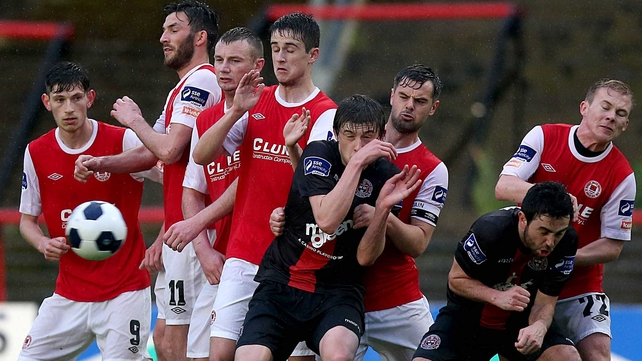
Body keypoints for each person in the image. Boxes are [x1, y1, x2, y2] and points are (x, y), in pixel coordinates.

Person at [184, 12, 337, 361]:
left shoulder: (325, 113)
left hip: (294, 261)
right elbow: (203, 155)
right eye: (277, 48)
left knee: (295, 358)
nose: (281, 58)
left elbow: (319, 189)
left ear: (312, 55)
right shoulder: (257, 100)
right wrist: (235, 110)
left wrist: (292, 149)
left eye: (291, 50)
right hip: (245, 252)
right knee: (220, 354)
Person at [74, 2, 221, 360]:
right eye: (164, 30)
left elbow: (169, 150)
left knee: (179, 343)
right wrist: (101, 163)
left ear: (200, 37)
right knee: (166, 336)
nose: (162, 37)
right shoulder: (181, 90)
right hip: (180, 232)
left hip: (198, 234)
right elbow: (149, 153)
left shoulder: (201, 81)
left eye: (173, 29)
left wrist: (134, 119)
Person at [270, 64, 448, 361]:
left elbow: (417, 244)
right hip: (332, 292)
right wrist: (283, 216)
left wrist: (384, 216)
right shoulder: (346, 133)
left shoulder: (432, 168)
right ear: (391, 96)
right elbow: (314, 191)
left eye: (420, 102)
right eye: (404, 96)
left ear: (433, 108)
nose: (409, 106)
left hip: (394, 297)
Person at [236, 94, 422, 361]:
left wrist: (382, 212)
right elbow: (326, 220)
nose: (358, 146)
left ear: (382, 136)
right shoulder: (319, 153)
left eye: (368, 137)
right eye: (349, 135)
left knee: (338, 356)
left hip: (338, 292)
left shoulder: (387, 177)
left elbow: (366, 257)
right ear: (335, 133)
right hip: (282, 283)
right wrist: (357, 164)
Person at [18, 61, 160, 360]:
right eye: (59, 100)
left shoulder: (122, 140)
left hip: (125, 290)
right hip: (69, 294)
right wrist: (43, 242)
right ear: (47, 103)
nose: (69, 108)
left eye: (76, 98)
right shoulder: (36, 152)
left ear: (90, 99)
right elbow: (27, 221)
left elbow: (174, 177)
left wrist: (163, 236)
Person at [494, 79, 636, 361]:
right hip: (524, 275)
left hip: (578, 282)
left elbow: (612, 246)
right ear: (584, 108)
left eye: (620, 114)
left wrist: (566, 257)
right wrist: (549, 197)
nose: (611, 116)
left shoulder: (622, 175)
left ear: (625, 125)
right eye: (605, 107)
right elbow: (503, 186)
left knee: (597, 355)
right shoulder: (544, 137)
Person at [164, 27, 265, 361]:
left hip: (264, 253)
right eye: (219, 60)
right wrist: (204, 250)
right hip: (220, 257)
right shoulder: (205, 118)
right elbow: (191, 191)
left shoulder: (267, 111)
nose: (223, 68)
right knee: (199, 355)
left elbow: (254, 179)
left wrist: (197, 225)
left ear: (257, 67)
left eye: (235, 61)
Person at [413, 181, 581, 361]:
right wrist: (497, 296)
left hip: (519, 324)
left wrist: (539, 327)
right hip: (466, 321)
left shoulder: (567, 242)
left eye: (558, 233)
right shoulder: (490, 230)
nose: (550, 241)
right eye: (544, 231)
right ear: (523, 219)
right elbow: (456, 280)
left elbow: (545, 303)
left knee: (567, 357)